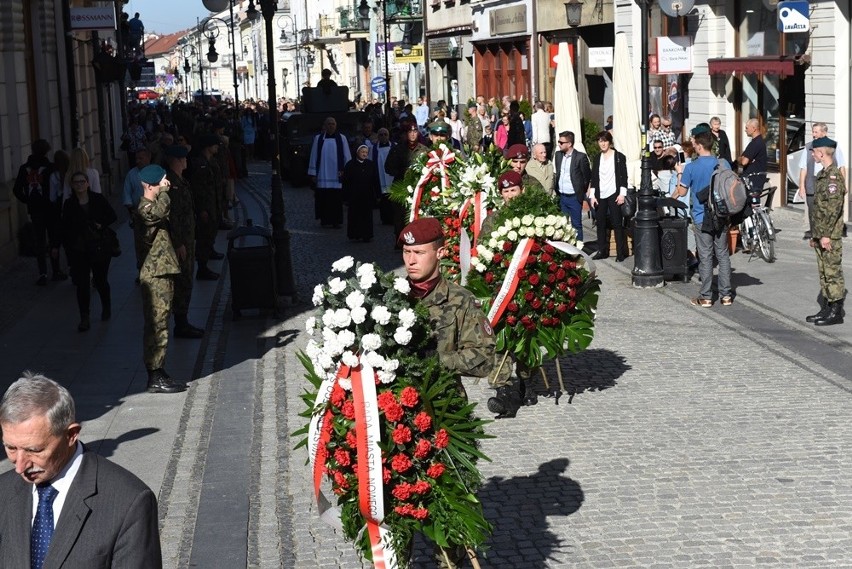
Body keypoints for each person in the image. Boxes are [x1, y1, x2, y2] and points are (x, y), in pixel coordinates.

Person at [0, 372, 163, 568]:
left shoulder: (128, 502)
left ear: (71, 435)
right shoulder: (4, 490)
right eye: (10, 448)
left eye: (34, 450)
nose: (19, 466)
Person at [400, 217, 519, 422]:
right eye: (406, 252)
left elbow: (484, 357)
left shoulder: (461, 300)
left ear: (440, 253)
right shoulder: (390, 296)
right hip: (393, 405)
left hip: (443, 406)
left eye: (419, 253)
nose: (410, 261)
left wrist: (435, 361)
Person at [137, 164, 187, 394]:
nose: (164, 186)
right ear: (149, 185)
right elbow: (159, 213)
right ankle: (154, 375)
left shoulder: (153, 205)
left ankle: (159, 370)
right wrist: (164, 193)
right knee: (157, 325)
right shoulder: (145, 209)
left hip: (162, 271)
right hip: (154, 274)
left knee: (162, 322)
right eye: (160, 183)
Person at [676, 125, 733, 307]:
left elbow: (682, 191)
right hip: (722, 215)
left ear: (699, 146)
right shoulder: (723, 164)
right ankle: (726, 296)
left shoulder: (691, 167)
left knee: (706, 256)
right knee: (723, 255)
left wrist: (679, 173)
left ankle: (706, 296)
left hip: (701, 217)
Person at [61, 171, 117, 332]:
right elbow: (65, 227)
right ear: (72, 185)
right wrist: (61, 247)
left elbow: (112, 216)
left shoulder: (97, 199)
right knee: (82, 284)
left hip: (99, 246)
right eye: (76, 182)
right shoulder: (69, 204)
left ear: (87, 183)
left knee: (100, 280)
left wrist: (101, 224)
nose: (79, 185)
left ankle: (106, 305)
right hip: (79, 249)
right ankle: (84, 316)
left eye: (82, 181)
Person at [164, 145, 204, 339]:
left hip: (187, 239)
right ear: (177, 161)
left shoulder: (180, 181)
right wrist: (179, 243)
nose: (187, 162)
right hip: (180, 242)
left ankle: (183, 321)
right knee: (182, 281)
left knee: (186, 279)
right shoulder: (171, 184)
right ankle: (181, 324)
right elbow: (172, 216)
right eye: (184, 159)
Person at [806, 137, 846, 326]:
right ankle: (827, 308)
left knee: (832, 272)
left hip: (831, 235)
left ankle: (836, 312)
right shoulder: (823, 174)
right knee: (823, 272)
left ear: (821, 153)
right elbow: (819, 209)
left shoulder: (833, 178)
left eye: (814, 151)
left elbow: (833, 209)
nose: (812, 154)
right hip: (821, 234)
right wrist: (815, 234)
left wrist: (826, 235)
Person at [13, 139, 63, 285]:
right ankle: (56, 270)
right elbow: (57, 189)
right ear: (46, 151)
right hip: (50, 209)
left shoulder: (24, 168)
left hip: (35, 211)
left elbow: (16, 190)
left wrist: (27, 200)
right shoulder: (50, 168)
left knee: (40, 241)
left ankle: (42, 273)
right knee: (53, 239)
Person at [798, 122, 848, 240]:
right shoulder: (808, 147)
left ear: (824, 133)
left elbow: (841, 167)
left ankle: (830, 234)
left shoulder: (833, 146)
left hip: (830, 181)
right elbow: (803, 168)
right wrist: (801, 186)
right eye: (813, 131)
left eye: (816, 132)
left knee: (830, 207)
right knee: (813, 210)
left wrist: (843, 184)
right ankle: (815, 235)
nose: (813, 134)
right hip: (813, 181)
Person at [588, 131, 629, 261]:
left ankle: (620, 252)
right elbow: (594, 178)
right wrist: (593, 196)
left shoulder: (619, 156)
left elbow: (624, 176)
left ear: (610, 142)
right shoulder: (597, 158)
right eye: (600, 141)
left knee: (617, 223)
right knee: (600, 223)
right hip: (600, 194)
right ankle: (602, 250)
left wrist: (622, 194)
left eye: (605, 141)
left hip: (614, 193)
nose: (603, 143)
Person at [308, 116, 352, 229]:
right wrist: (313, 173)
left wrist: (348, 171)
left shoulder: (342, 138)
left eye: (333, 124)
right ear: (325, 126)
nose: (331, 126)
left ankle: (336, 221)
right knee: (324, 198)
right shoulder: (319, 139)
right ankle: (325, 219)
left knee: (336, 200)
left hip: (337, 174)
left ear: (336, 125)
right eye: (329, 124)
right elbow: (314, 156)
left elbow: (347, 155)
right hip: (323, 175)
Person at [190, 135, 223, 281]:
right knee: (204, 236)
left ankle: (209, 252)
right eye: (215, 145)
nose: (217, 147)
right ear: (208, 147)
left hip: (213, 203)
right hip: (206, 205)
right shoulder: (200, 164)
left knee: (211, 232)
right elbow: (198, 189)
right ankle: (202, 268)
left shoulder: (211, 161)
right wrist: (202, 209)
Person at [553, 131, 592, 240]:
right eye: (558, 141)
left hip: (574, 196)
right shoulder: (558, 155)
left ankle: (579, 249)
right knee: (562, 224)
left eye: (561, 142)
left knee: (576, 224)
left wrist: (582, 191)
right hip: (562, 196)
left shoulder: (580, 157)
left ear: (569, 144)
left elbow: (586, 176)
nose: (559, 144)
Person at [342, 145, 381, 242]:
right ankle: (355, 234)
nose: (364, 154)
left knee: (367, 216)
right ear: (357, 152)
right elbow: (346, 182)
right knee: (354, 216)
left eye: (366, 152)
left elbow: (375, 180)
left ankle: (366, 235)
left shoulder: (370, 164)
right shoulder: (350, 165)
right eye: (362, 152)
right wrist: (346, 196)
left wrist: (378, 194)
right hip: (354, 195)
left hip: (367, 195)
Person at [122, 148, 151, 273]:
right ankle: (142, 270)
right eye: (136, 158)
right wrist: (131, 211)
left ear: (148, 158)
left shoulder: (156, 172)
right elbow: (127, 193)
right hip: (138, 214)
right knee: (140, 245)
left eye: (141, 158)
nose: (138, 161)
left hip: (154, 214)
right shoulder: (131, 174)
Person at [740, 118, 768, 205]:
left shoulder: (756, 143)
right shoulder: (757, 142)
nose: (745, 130)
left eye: (747, 128)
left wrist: (740, 159)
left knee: (753, 205)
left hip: (753, 181)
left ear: (754, 128)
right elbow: (744, 158)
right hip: (754, 180)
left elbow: (744, 161)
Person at [372, 128, 395, 225]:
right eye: (381, 135)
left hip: (391, 177)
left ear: (389, 136)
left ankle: (393, 218)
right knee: (383, 199)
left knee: (392, 198)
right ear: (378, 136)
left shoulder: (394, 147)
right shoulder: (374, 149)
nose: (383, 136)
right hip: (380, 176)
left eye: (385, 134)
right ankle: (384, 218)